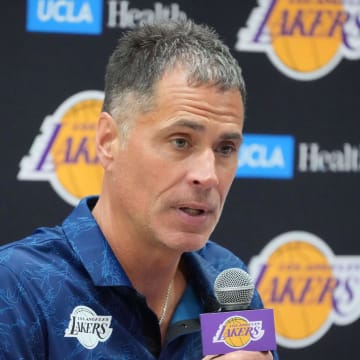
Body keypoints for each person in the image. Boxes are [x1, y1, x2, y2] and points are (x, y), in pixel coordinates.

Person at [0, 20, 278, 359]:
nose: (208, 176)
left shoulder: (229, 284)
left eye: (225, 149)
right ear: (108, 141)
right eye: (180, 141)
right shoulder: (18, 286)